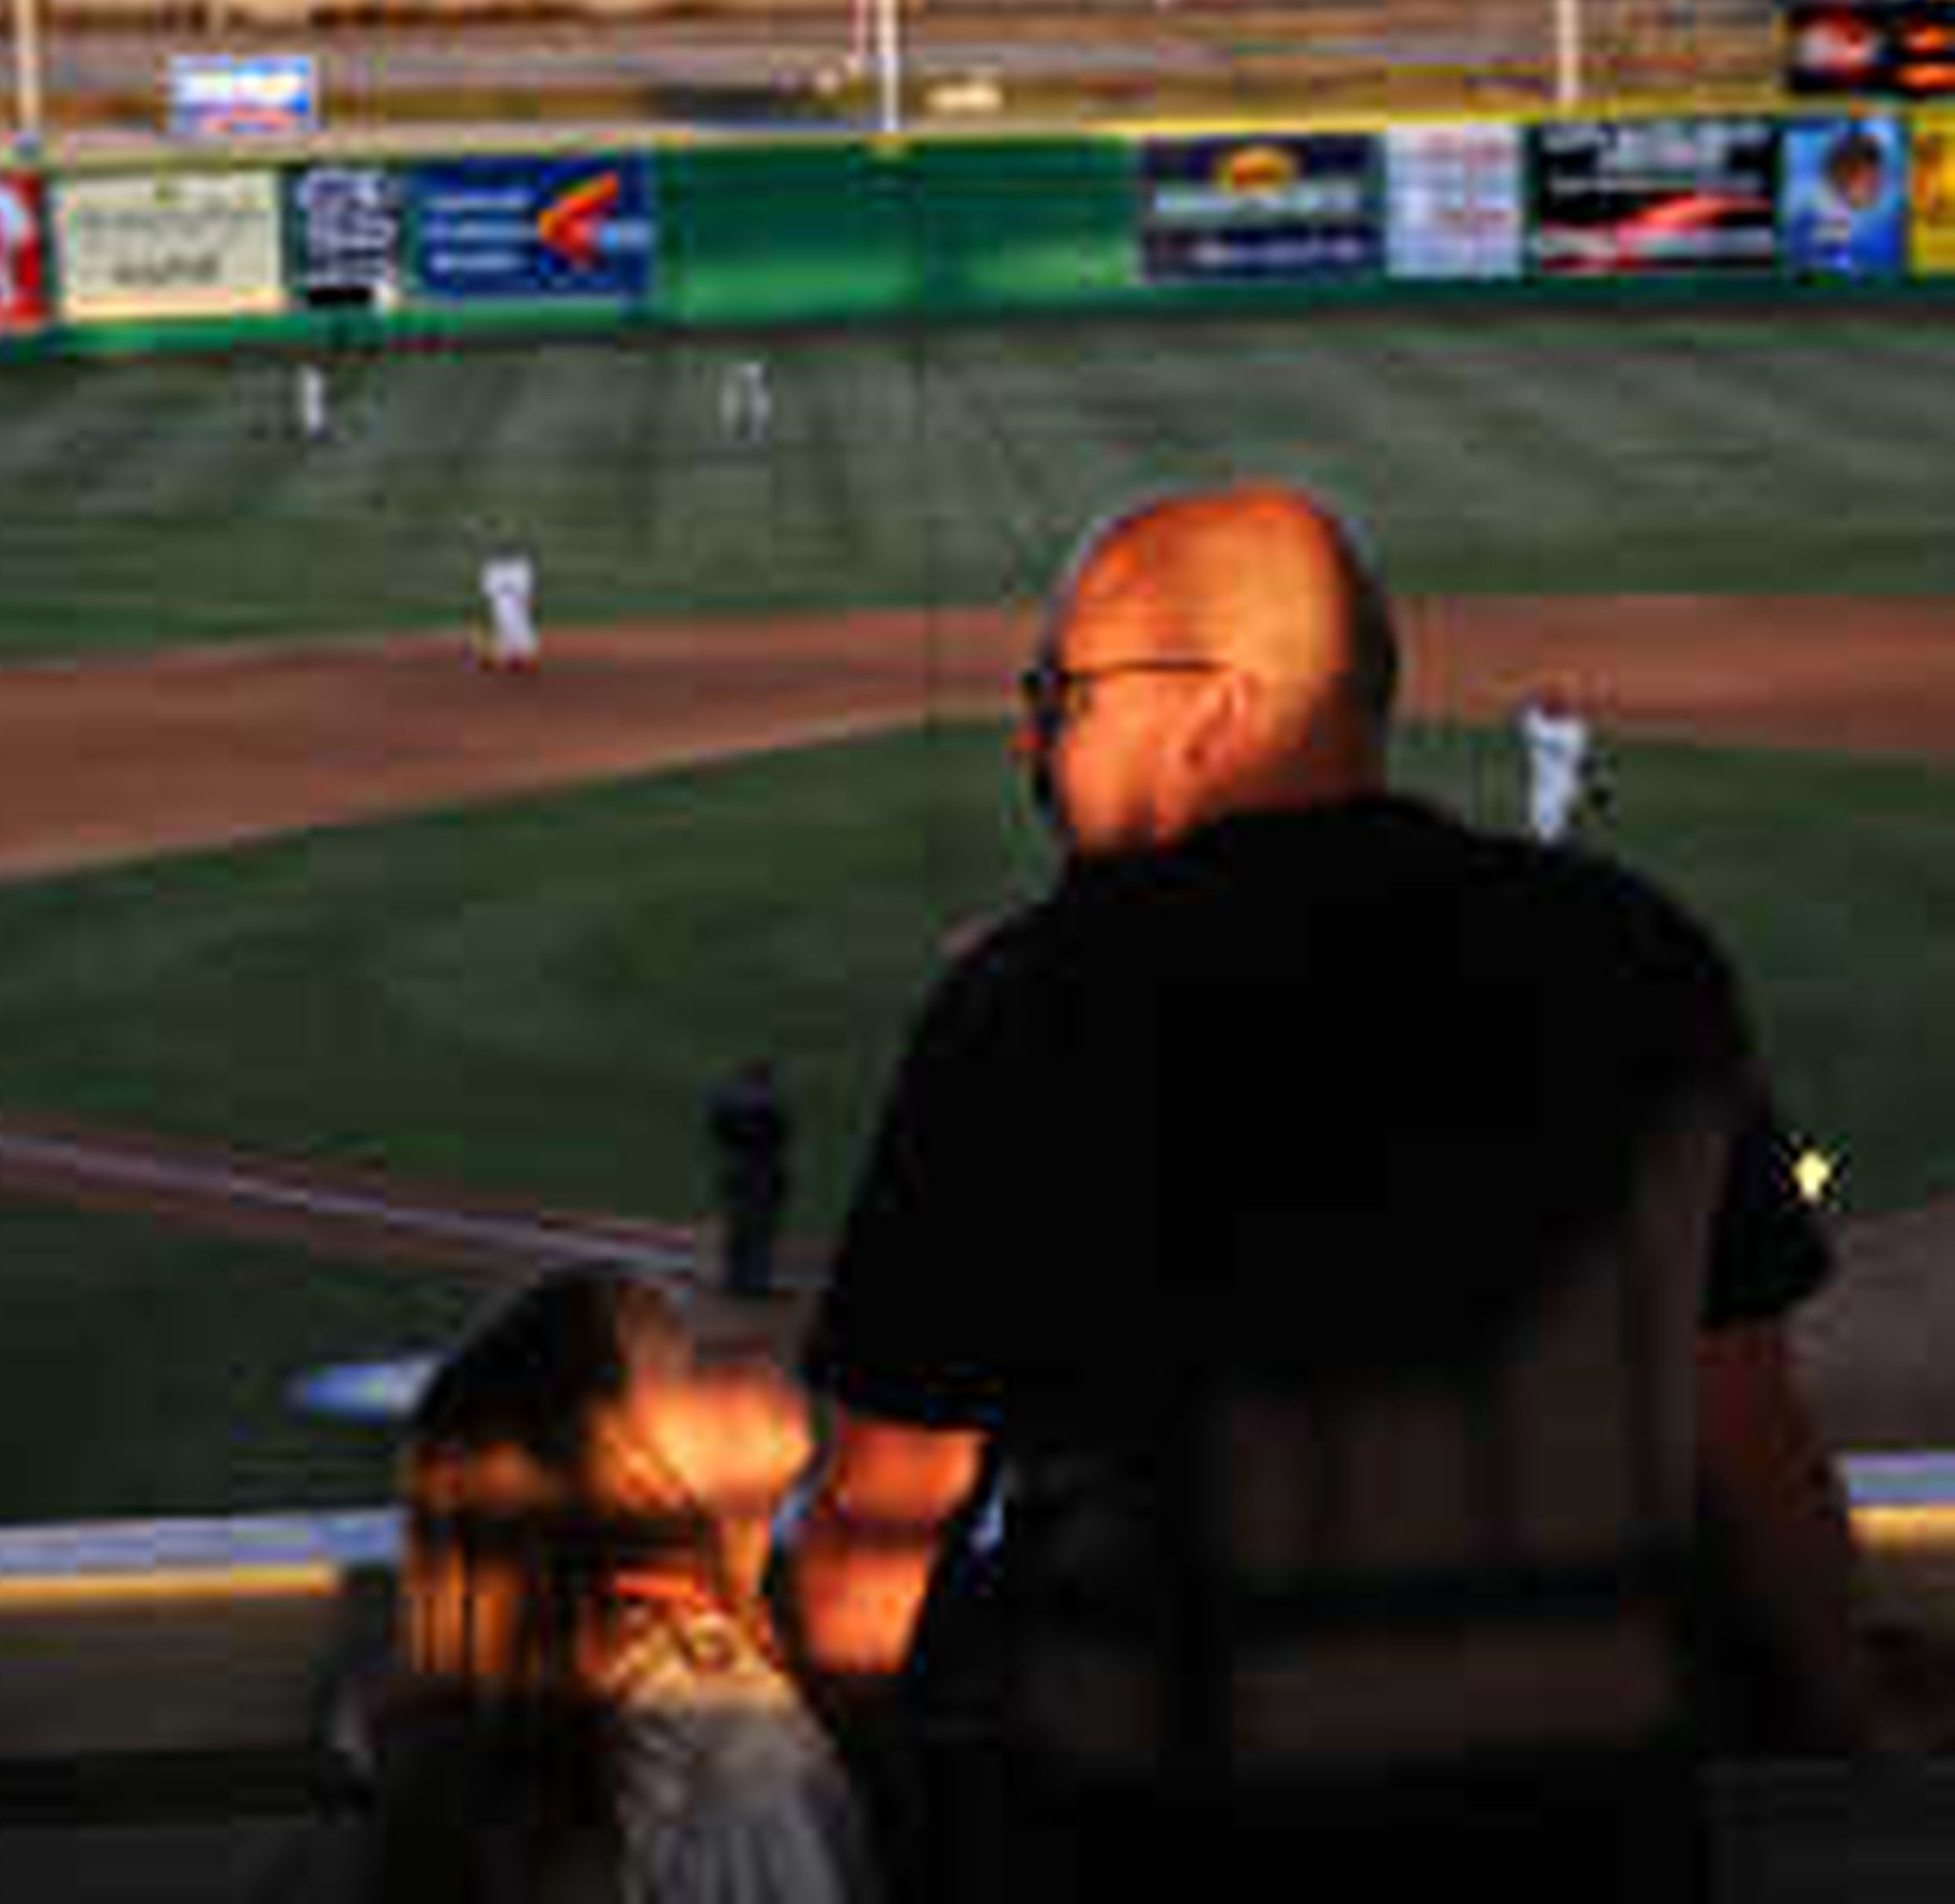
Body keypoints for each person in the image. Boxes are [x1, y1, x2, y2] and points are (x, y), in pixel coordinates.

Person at [786, 485, 1870, 1901]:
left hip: (1154, 1838)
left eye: (1059, 693)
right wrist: (1852, 1723)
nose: (1030, 739)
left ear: (1217, 709)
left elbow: (883, 1516)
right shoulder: (1636, 955)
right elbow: (1751, 1435)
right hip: (1582, 1838)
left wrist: (850, 1775)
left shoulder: (1031, 1004)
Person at [365, 1267, 879, 1903]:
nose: (750, 1355)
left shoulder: (580, 1713)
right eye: (693, 1362)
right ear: (604, 1481)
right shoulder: (720, 1748)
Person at [707, 1059, 795, 1299]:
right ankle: (756, 1284)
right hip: (764, 1168)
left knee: (737, 1226)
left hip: (734, 1165)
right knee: (761, 1230)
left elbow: (716, 1130)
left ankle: (732, 1281)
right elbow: (782, 1136)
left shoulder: (725, 1100)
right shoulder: (774, 1104)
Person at [1520, 683, 1602, 844]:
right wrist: (1594, 786)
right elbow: (1585, 762)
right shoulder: (1574, 729)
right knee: (1551, 834)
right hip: (1549, 791)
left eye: (1554, 705)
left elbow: (1584, 762)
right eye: (1549, 705)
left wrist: (1593, 785)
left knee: (1550, 835)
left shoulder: (1535, 725)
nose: (1551, 708)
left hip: (1561, 791)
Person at [480, 552, 539, 669]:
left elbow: (526, 585)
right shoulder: (493, 568)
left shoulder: (521, 567)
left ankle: (526, 657)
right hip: (501, 598)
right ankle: (508, 657)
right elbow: (489, 590)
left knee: (522, 626)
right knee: (503, 625)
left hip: (517, 597)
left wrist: (529, 597)